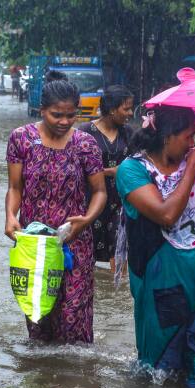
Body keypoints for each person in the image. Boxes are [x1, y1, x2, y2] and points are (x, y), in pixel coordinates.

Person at [115, 105, 195, 388]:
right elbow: (166, 214)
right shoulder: (133, 170)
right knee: (159, 373)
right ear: (166, 137)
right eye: (187, 137)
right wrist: (192, 170)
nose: (191, 143)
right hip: (160, 281)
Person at [5, 72, 107, 343]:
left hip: (75, 240)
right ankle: (42, 376)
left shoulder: (86, 144)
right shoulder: (21, 139)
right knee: (38, 319)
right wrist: (9, 217)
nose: (64, 122)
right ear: (42, 111)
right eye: (56, 115)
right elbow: (15, 188)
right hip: (34, 243)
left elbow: (99, 192)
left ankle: (73, 380)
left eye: (71, 115)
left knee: (73, 318)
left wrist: (86, 219)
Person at [78, 85, 134, 271]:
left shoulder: (129, 133)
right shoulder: (85, 132)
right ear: (111, 109)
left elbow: (140, 164)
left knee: (120, 247)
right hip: (90, 202)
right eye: (126, 108)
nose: (130, 113)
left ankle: (118, 295)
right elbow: (75, 170)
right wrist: (111, 171)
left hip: (121, 202)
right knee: (86, 255)